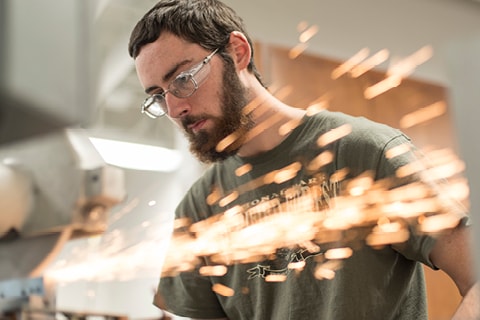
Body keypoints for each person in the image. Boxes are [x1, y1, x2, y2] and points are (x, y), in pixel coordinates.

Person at [128, 0, 479, 319]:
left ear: (237, 52)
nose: (175, 108)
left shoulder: (365, 152)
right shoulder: (199, 207)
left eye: (183, 79)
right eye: (158, 96)